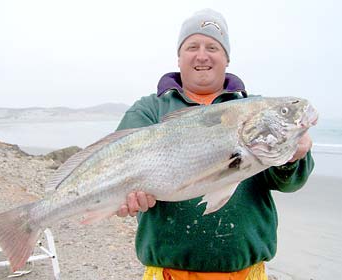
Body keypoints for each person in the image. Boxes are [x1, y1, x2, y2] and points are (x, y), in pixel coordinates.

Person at [115, 9, 314, 280]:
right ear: (179, 56)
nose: (202, 55)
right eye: (192, 46)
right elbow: (114, 165)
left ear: (227, 58)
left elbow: (288, 183)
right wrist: (124, 199)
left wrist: (294, 156)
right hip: (168, 273)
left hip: (247, 272)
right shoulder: (149, 110)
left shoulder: (254, 110)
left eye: (213, 47)